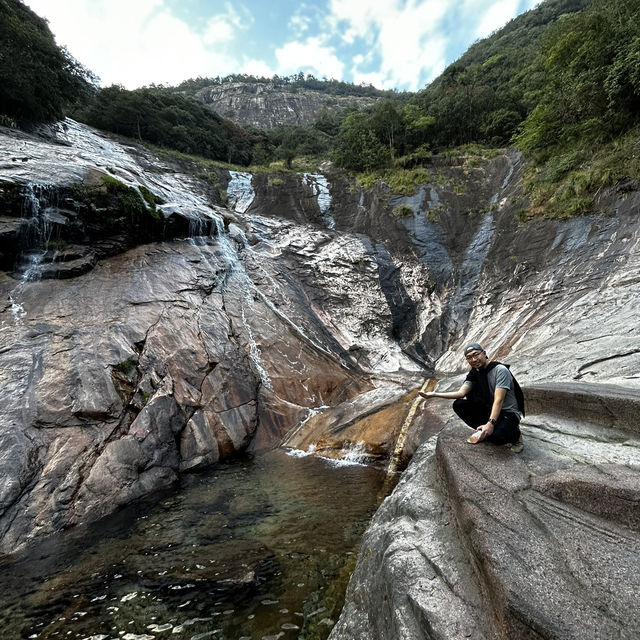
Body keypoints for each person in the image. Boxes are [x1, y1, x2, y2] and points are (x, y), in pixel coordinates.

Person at [419, 342, 524, 452]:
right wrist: (434, 394)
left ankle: (516, 435)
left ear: (484, 353)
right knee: (459, 404)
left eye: (476, 355)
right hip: (489, 409)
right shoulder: (475, 373)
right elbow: (461, 393)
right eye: (469, 357)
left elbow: (499, 400)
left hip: (507, 412)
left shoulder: (500, 370)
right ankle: (484, 430)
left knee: (497, 438)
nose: (473, 360)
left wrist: (490, 424)